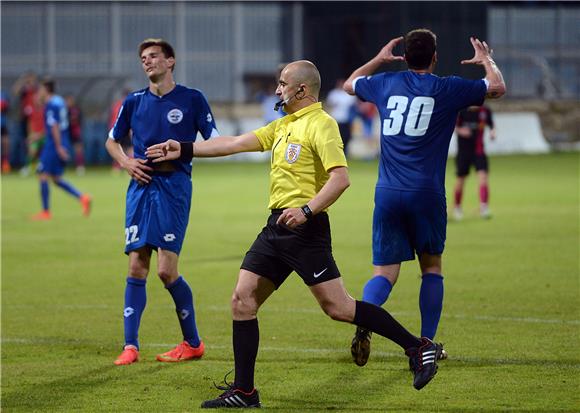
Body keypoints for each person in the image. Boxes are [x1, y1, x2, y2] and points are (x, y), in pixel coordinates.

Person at [146, 60, 443, 409]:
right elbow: (237, 142)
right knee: (242, 300)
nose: (277, 90)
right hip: (276, 227)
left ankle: (419, 347)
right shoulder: (284, 125)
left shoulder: (322, 124)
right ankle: (244, 391)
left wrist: (306, 211)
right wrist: (183, 148)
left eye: (282, 84)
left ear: (301, 90)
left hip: (305, 230)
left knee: (339, 307)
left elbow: (340, 178)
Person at [343, 29, 506, 367]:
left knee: (384, 274)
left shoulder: (385, 83)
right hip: (426, 194)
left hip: (387, 193)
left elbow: (350, 84)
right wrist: (485, 59)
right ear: (434, 57)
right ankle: (428, 342)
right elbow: (497, 88)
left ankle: (366, 322)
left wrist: (379, 58)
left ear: (405, 56)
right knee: (431, 269)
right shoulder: (447, 88)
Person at [105, 38, 219, 366]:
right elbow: (112, 141)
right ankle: (130, 346)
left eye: (154, 56)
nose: (147, 62)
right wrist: (126, 162)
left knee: (166, 272)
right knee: (136, 264)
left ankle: (193, 343)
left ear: (171, 61)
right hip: (140, 187)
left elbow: (216, 141)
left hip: (174, 187)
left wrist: (184, 148)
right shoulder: (134, 101)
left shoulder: (192, 99)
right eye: (143, 58)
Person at [31, 79, 92, 221]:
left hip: (53, 145)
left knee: (42, 175)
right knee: (56, 179)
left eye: (40, 89)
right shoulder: (59, 102)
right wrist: (40, 136)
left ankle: (45, 212)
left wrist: (58, 147)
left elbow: (54, 126)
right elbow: (56, 125)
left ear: (46, 89)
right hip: (59, 141)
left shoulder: (51, 104)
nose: (38, 93)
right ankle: (82, 197)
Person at [453, 105, 496, 220]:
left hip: (479, 151)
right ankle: (457, 208)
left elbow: (491, 124)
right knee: (460, 180)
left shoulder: (485, 111)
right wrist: (460, 130)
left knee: (483, 177)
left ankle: (484, 207)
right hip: (463, 152)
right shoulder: (461, 111)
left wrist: (492, 132)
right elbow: (453, 126)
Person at [12, 72, 38, 173]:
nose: (30, 81)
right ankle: (28, 164)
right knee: (26, 143)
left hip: (34, 119)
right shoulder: (24, 90)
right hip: (25, 119)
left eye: (31, 79)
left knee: (33, 142)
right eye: (28, 79)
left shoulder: (37, 89)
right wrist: (22, 81)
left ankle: (32, 165)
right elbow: (15, 91)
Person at [325, 78, 357, 156]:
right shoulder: (333, 94)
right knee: (336, 137)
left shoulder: (348, 95)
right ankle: (336, 153)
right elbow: (328, 105)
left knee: (346, 137)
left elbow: (354, 106)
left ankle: (344, 152)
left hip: (346, 120)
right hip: (336, 119)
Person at [109, 89, 133, 173]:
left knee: (124, 148)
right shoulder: (126, 105)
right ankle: (122, 167)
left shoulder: (117, 105)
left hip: (119, 129)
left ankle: (118, 167)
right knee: (125, 148)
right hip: (122, 129)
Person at [65, 94, 85, 175]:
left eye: (69, 100)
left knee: (79, 150)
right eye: (67, 101)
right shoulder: (64, 110)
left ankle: (80, 167)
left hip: (75, 133)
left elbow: (78, 120)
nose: (68, 102)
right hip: (66, 133)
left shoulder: (76, 110)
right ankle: (62, 167)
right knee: (64, 150)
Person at [1, 90, 10, 173]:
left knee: (5, 143)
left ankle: (5, 163)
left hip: (3, 124)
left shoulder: (3, 94)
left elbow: (4, 106)